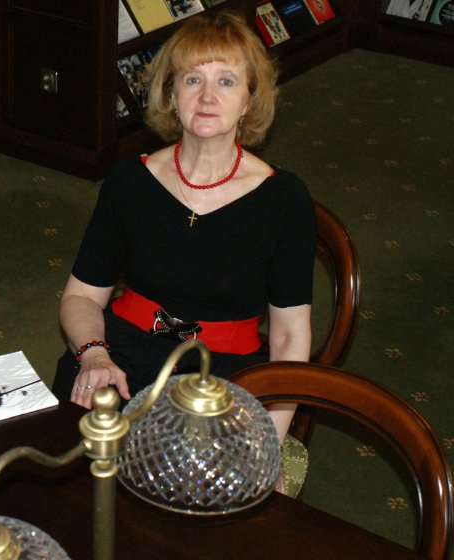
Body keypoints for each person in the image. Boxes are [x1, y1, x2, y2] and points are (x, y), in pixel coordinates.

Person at [52, 10, 315, 456]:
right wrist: (94, 354)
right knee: (73, 462)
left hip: (225, 376)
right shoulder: (131, 181)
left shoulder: (284, 201)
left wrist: (269, 443)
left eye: (226, 81)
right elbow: (80, 297)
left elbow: (290, 338)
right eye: (192, 80)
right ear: (172, 95)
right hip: (120, 358)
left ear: (249, 100)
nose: (207, 96)